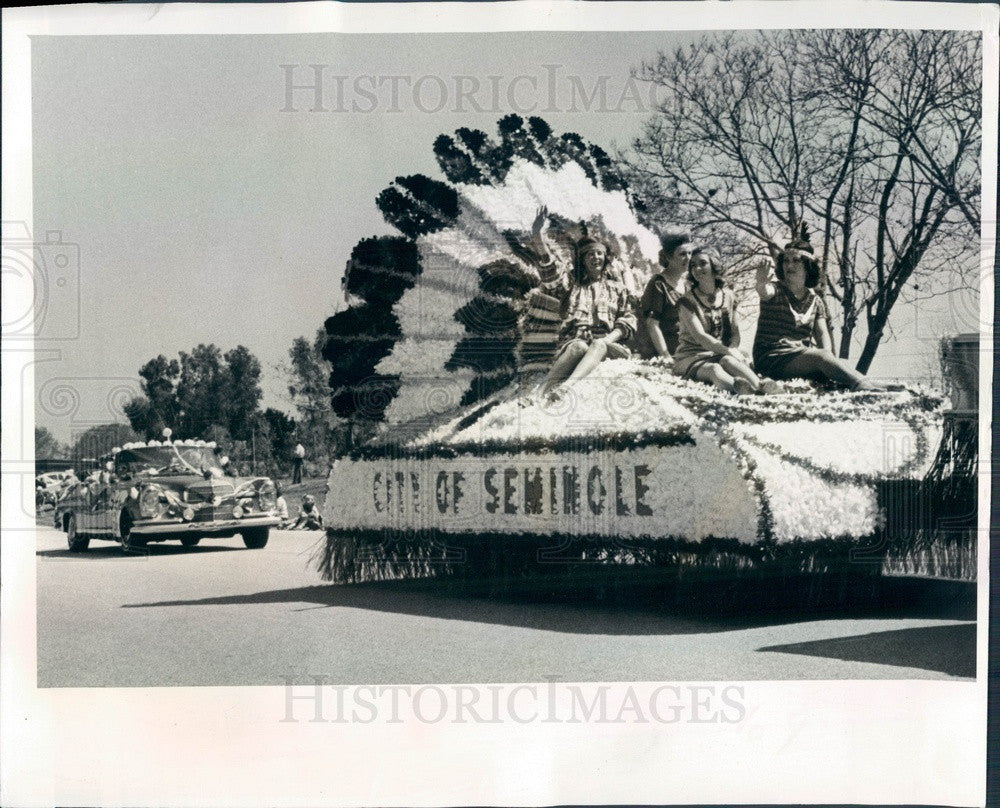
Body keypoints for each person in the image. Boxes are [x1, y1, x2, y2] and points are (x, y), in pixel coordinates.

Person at [527, 207, 637, 397]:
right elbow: (550, 271)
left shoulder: (618, 288)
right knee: (579, 346)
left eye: (599, 254)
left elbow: (628, 320)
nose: (596, 258)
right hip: (577, 342)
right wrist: (538, 236)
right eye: (590, 254)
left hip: (610, 346)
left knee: (598, 345)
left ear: (605, 258)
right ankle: (538, 394)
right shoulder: (572, 285)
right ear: (583, 260)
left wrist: (605, 340)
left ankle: (565, 388)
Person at [753, 242, 881, 391]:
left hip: (798, 357)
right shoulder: (775, 289)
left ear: (808, 266)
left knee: (836, 362)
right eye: (786, 260)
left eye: (796, 260)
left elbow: (822, 333)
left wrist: (828, 360)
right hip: (771, 358)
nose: (789, 265)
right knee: (822, 358)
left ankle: (874, 384)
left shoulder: (816, 300)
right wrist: (761, 282)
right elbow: (764, 292)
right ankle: (862, 385)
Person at [672, 247, 776, 395]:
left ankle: (761, 387)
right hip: (690, 356)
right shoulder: (686, 302)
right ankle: (741, 391)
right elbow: (700, 337)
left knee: (729, 361)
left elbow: (735, 333)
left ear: (714, 266)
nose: (697, 268)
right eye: (693, 265)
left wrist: (732, 350)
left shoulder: (729, 296)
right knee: (714, 369)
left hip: (720, 354)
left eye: (702, 263)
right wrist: (728, 351)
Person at [634, 232, 694, 360]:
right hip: (668, 349)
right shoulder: (659, 284)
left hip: (688, 345)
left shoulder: (688, 286)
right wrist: (665, 356)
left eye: (690, 253)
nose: (688, 258)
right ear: (669, 257)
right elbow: (652, 324)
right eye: (683, 254)